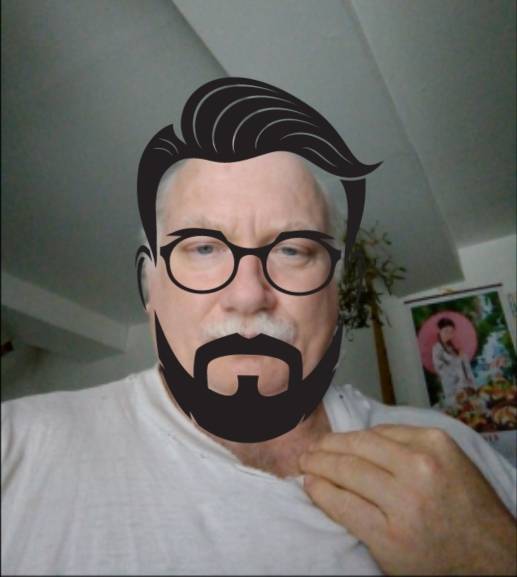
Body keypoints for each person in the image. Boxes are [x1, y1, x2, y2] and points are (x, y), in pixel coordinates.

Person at [1, 78, 516, 576]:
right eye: (204, 248)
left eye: (292, 250)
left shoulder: (449, 458)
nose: (248, 295)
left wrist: (490, 556)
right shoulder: (16, 451)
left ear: (335, 292)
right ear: (149, 287)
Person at [432, 317, 476, 407]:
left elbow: (464, 367)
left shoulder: (452, 348)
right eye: (446, 331)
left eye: (451, 332)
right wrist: (458, 359)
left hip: (464, 386)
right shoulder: (437, 349)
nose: (449, 334)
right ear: (439, 331)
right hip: (452, 388)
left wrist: (462, 358)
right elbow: (442, 370)